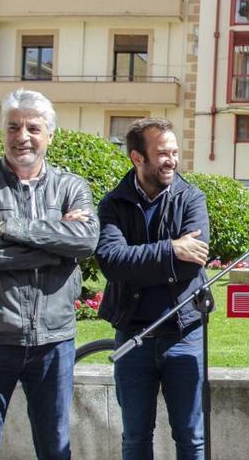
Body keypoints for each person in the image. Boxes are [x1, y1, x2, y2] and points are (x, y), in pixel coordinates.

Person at [0, 89, 100, 459]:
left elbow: (84, 241)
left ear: (49, 134)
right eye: (13, 127)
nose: (23, 136)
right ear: (3, 132)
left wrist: (6, 227)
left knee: (55, 448)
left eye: (33, 127)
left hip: (53, 340)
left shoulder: (71, 186)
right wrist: (54, 248)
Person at [96, 118, 210, 459]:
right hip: (133, 335)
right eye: (162, 153)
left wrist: (141, 262)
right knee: (135, 438)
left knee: (191, 438)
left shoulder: (191, 198)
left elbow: (194, 262)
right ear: (137, 158)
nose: (172, 160)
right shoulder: (113, 204)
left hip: (184, 333)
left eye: (174, 152)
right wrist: (171, 249)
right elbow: (111, 262)